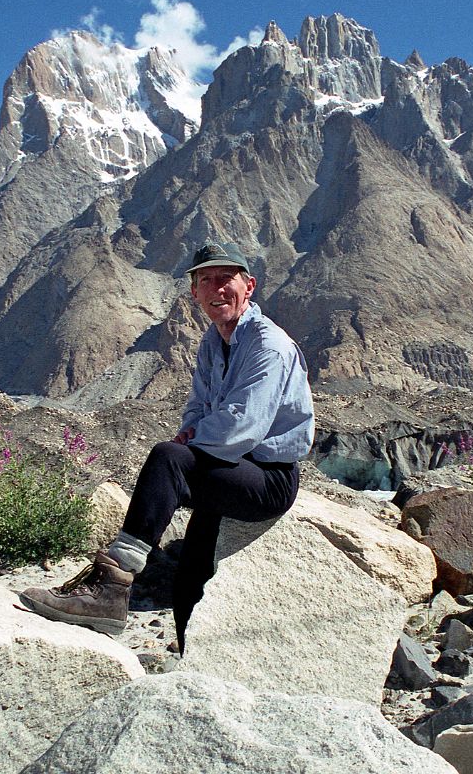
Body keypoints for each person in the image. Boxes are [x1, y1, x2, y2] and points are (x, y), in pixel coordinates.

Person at [19, 241, 315, 648]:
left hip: (267, 478)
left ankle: (113, 584)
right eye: (205, 280)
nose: (216, 289)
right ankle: (189, 656)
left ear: (249, 285)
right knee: (193, 571)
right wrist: (191, 431)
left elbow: (243, 424)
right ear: (194, 293)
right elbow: (198, 405)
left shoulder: (268, 345)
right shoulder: (214, 342)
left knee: (168, 459)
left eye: (226, 279)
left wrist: (188, 447)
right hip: (229, 469)